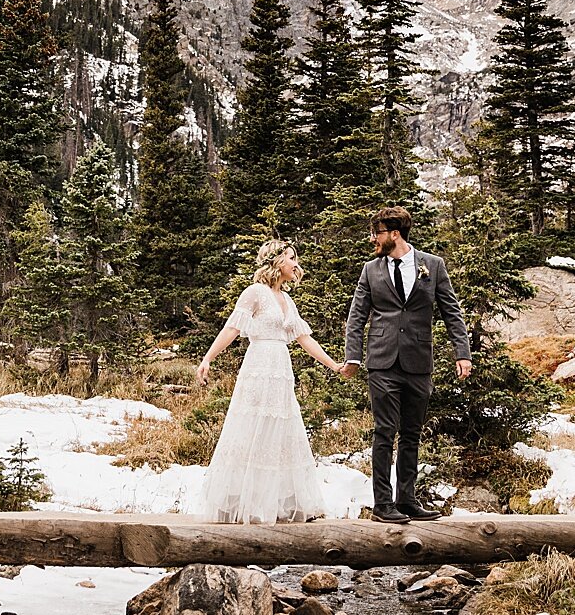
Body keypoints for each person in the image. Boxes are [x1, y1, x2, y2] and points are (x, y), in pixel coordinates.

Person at [196, 240, 344, 524]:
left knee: (280, 431)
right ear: (275, 262)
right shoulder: (255, 293)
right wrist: (208, 358)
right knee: (253, 428)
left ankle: (276, 504)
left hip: (280, 367)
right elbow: (232, 327)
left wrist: (333, 365)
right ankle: (243, 502)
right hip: (259, 365)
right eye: (291, 258)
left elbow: (304, 338)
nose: (295, 264)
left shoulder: (287, 300)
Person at [341, 206, 472, 524]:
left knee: (412, 433)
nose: (373, 239)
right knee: (385, 431)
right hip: (382, 362)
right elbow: (357, 316)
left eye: (377, 232)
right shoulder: (370, 270)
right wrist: (353, 356)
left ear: (394, 234)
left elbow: (451, 312)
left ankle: (408, 500)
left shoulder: (433, 266)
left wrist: (462, 353)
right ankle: (383, 504)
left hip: (418, 362)